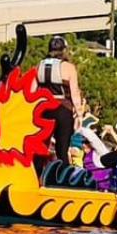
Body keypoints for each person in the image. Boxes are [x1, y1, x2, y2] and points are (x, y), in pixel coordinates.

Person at [36, 35, 83, 166]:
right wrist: (79, 114)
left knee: (41, 146)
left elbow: (33, 89)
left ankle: (36, 174)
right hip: (63, 109)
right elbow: (74, 93)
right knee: (62, 148)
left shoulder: (39, 65)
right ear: (64, 49)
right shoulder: (68, 67)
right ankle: (63, 177)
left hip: (44, 108)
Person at [79, 126, 114, 190]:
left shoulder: (100, 152)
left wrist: (78, 129)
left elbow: (93, 139)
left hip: (105, 189)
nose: (84, 145)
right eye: (83, 143)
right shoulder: (85, 156)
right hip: (92, 188)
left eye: (87, 143)